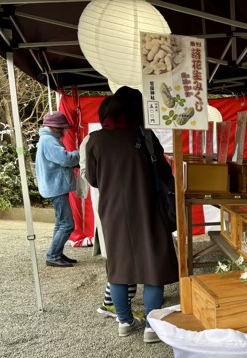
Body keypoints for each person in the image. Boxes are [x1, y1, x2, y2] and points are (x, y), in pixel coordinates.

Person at [85, 87, 178, 343]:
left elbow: (93, 180)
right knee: (153, 266)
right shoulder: (145, 136)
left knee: (119, 266)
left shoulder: (95, 140)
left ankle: (125, 322)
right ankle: (151, 326)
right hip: (147, 207)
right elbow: (163, 172)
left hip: (113, 211)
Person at [78, 96, 143, 322]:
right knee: (121, 257)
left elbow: (91, 175)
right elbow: (90, 176)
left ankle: (118, 304)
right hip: (116, 203)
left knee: (123, 255)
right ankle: (111, 304)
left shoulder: (99, 139)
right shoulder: (95, 140)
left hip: (114, 203)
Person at [35, 112, 81, 267]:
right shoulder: (49, 140)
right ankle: (53, 256)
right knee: (67, 224)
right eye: (63, 128)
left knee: (60, 223)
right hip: (57, 188)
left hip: (54, 187)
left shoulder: (47, 139)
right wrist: (80, 155)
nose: (65, 131)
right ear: (56, 128)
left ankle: (57, 253)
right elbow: (65, 159)